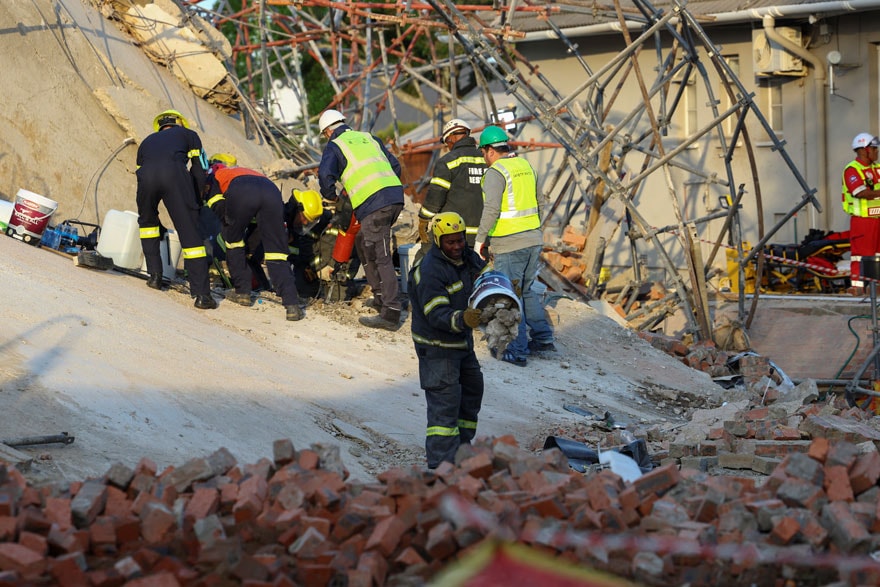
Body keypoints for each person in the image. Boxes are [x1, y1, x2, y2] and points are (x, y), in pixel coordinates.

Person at [408, 211, 488, 469]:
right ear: (438, 240)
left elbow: (484, 278)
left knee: (472, 391)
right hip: (437, 349)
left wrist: (504, 286)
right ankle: (441, 467)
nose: (456, 246)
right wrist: (463, 319)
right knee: (445, 409)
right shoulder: (429, 270)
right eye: (450, 242)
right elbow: (436, 314)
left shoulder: (467, 257)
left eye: (460, 240)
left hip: (461, 345)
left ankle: (462, 454)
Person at [317, 109, 405, 331]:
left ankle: (391, 312)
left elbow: (325, 176)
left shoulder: (335, 145)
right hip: (393, 197)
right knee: (364, 243)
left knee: (382, 256)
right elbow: (395, 166)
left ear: (328, 132)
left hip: (375, 204)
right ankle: (379, 297)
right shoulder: (368, 137)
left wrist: (332, 197)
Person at [474, 125, 555, 366]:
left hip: (510, 244)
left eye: (483, 152)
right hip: (533, 239)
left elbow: (491, 209)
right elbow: (541, 202)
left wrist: (480, 240)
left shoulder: (495, 173)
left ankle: (516, 351)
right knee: (527, 290)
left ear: (489, 151)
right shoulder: (526, 166)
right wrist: (535, 232)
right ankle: (543, 338)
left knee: (509, 297)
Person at [203, 155, 305, 321]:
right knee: (276, 253)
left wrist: (231, 224)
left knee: (234, 242)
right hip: (271, 192)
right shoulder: (241, 170)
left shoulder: (215, 177)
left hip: (243, 192)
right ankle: (291, 304)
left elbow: (220, 207)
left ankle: (242, 292)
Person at [136, 109, 216, 309]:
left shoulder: (146, 141)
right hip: (174, 175)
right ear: (179, 122)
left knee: (147, 224)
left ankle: (154, 276)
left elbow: (140, 171)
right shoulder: (189, 135)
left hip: (146, 178)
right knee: (189, 233)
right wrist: (196, 200)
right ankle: (202, 295)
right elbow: (199, 170)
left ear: (160, 126)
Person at [417, 119, 486, 255]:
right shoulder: (487, 159)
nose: (447, 146)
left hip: (453, 232)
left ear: (452, 137)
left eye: (447, 142)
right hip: (483, 234)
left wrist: (423, 219)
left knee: (423, 261)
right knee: (476, 271)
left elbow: (436, 196)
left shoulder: (447, 161)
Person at [843, 133, 880, 294]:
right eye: (874, 149)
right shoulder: (852, 170)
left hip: (877, 218)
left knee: (878, 254)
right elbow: (860, 192)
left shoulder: (876, 168)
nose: (877, 152)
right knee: (861, 255)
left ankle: (877, 285)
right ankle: (857, 287)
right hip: (862, 220)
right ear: (864, 150)